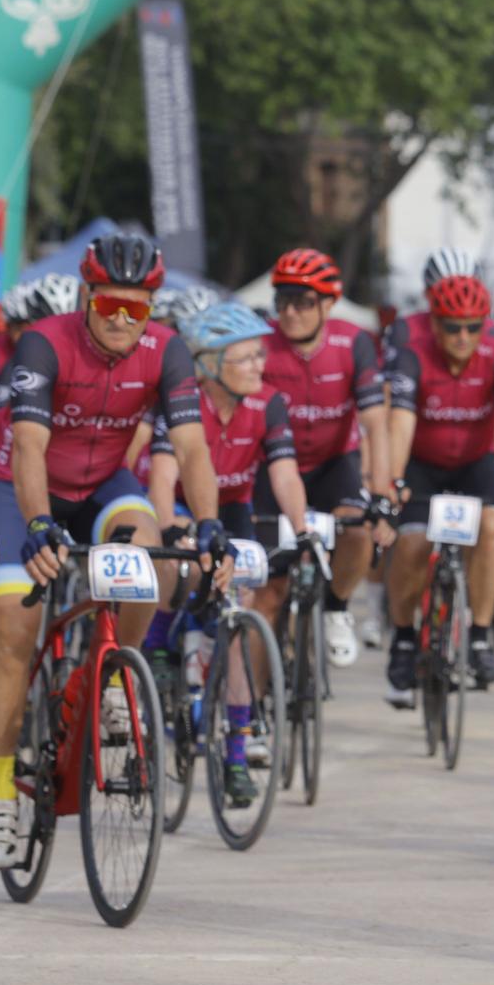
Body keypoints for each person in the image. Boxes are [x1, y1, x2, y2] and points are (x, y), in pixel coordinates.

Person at [0, 232, 221, 869]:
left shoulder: (167, 352)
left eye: (136, 309)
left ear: (152, 309)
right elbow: (27, 444)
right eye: (109, 303)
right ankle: (2, 786)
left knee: (148, 568)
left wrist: (211, 522)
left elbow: (192, 447)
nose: (120, 319)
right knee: (14, 627)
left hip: (104, 483)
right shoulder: (45, 343)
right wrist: (37, 523)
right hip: (19, 487)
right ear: (86, 296)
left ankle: (116, 676)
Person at [148, 301, 307, 808]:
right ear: (211, 363)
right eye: (247, 358)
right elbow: (163, 475)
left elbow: (283, 473)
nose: (261, 365)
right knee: (173, 569)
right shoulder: (181, 400)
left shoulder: (270, 404)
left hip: (232, 508)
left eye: (261, 355)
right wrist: (172, 532)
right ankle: (158, 649)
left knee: (233, 624)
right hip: (178, 507)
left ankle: (236, 755)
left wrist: (303, 531)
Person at [385, 273, 494, 700]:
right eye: (452, 326)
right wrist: (392, 481)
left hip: (474, 463)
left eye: (473, 326)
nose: (463, 336)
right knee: (410, 543)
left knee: (491, 527)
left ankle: (480, 633)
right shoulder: (413, 357)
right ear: (434, 325)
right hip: (423, 464)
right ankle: (405, 636)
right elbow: (400, 426)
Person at [260, 249, 396, 669]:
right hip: (273, 469)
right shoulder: (261, 343)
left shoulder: (353, 343)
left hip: (333, 463)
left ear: (328, 303)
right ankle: (259, 714)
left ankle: (337, 607)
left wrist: (382, 493)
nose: (290, 311)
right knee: (271, 591)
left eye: (303, 301)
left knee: (357, 530)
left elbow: (375, 423)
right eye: (282, 300)